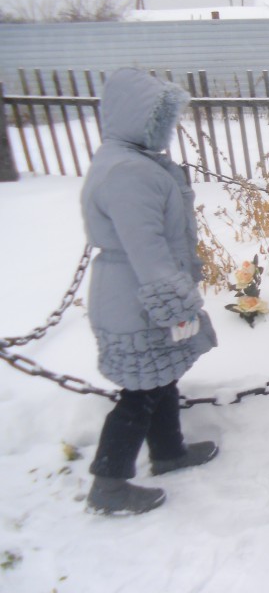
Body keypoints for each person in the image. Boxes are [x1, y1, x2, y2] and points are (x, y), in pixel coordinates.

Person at [81, 68, 219, 516]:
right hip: (137, 295)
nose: (169, 128)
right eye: (162, 118)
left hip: (132, 290)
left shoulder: (127, 161)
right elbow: (147, 247)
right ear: (138, 118)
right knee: (139, 393)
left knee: (160, 378)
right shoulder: (129, 173)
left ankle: (169, 452)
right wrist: (175, 302)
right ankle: (108, 484)